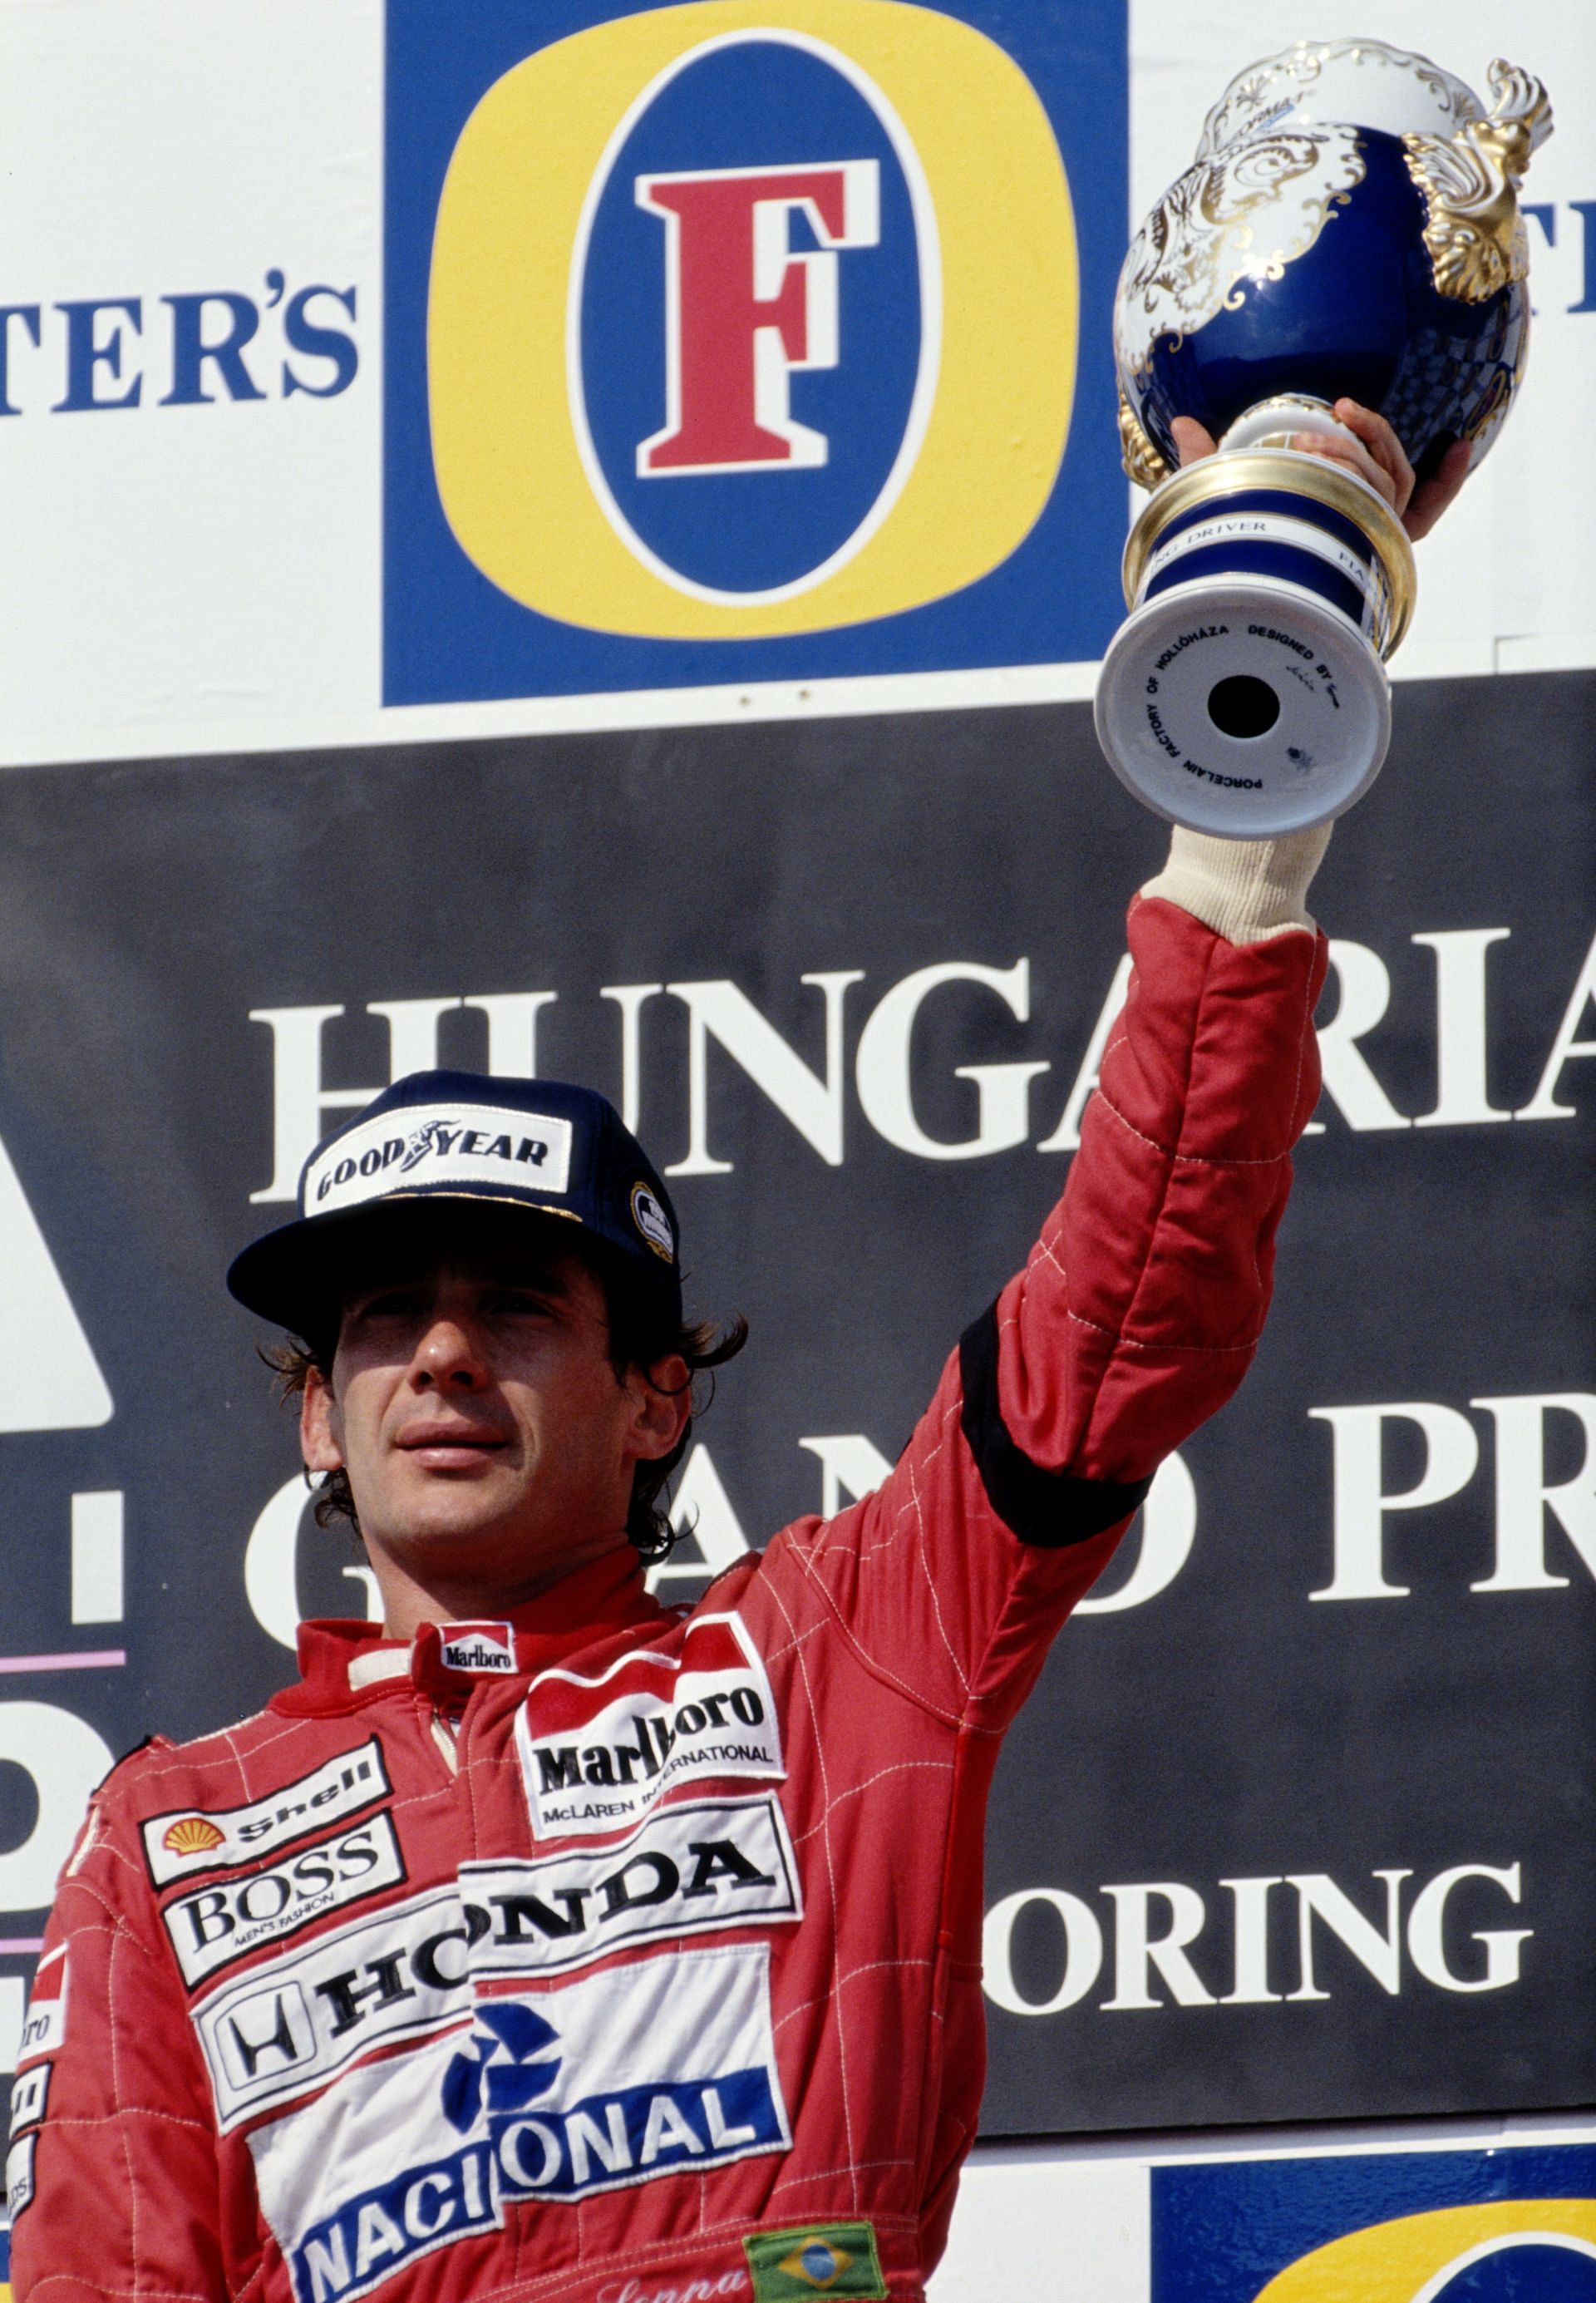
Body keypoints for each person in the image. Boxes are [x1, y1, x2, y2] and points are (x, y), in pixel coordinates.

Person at [10, 406, 1465, 2303]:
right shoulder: (169, 1831)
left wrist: (1245, 811)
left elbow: (1122, 1320)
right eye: (384, 1319)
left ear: (656, 1396)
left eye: (519, 1306)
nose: (442, 1355)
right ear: (317, 1412)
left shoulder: (828, 1651)